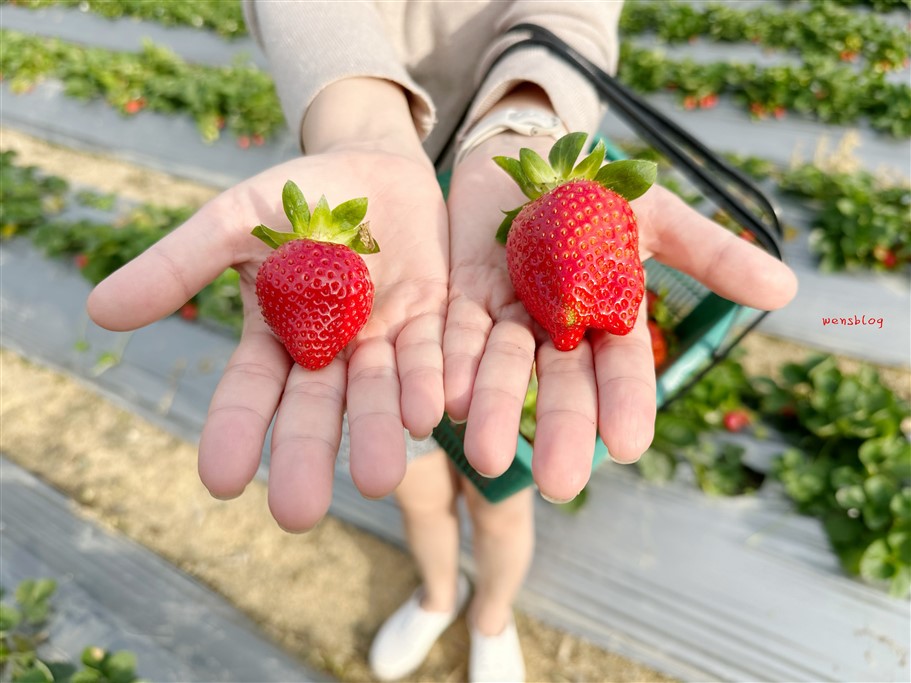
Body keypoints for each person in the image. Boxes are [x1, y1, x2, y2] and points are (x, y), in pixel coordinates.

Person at [87, 2, 798, 681]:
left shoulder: (543, 224)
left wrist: (525, 117)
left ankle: (490, 615)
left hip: (510, 184)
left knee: (499, 496)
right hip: (360, 225)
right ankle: (437, 593)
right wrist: (360, 127)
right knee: (416, 486)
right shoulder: (338, 245)